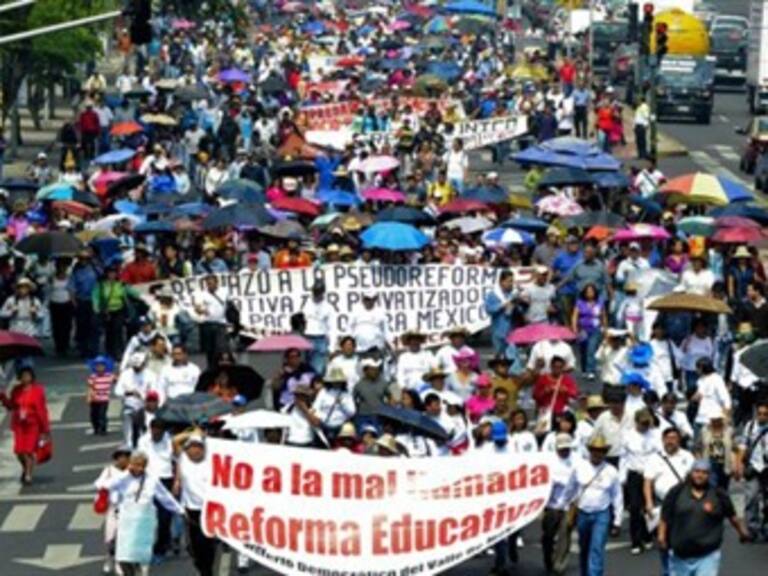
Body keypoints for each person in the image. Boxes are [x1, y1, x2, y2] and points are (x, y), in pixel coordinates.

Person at [658, 460, 751, 576]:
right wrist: (661, 536)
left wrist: (742, 533)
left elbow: (732, 516)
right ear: (691, 473)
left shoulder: (718, 494)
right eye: (697, 472)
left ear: (709, 475)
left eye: (704, 473)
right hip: (680, 556)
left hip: (708, 555)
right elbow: (664, 515)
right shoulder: (677, 492)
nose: (700, 475)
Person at [105, 451, 184, 576]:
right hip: (127, 520)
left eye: (141, 465)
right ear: (130, 464)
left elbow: (165, 497)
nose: (138, 468)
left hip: (144, 521)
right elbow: (108, 486)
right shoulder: (123, 478)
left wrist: (180, 510)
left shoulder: (151, 480)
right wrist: (126, 475)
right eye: (135, 465)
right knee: (123, 557)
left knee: (141, 557)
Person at [643, 427, 695, 576]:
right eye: (668, 438)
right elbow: (647, 482)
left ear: (679, 440)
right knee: (663, 540)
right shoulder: (654, 458)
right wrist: (648, 502)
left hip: (683, 503)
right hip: (663, 504)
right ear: (663, 440)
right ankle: (668, 571)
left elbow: (694, 479)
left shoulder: (687, 456)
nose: (671, 441)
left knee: (682, 539)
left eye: (674, 438)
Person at [572, 434, 623, 576]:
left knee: (597, 549)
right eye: (594, 450)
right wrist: (563, 507)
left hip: (602, 514)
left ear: (604, 453)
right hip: (583, 512)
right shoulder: (580, 467)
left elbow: (617, 496)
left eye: (600, 450)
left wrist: (617, 520)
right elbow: (570, 489)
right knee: (584, 548)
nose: (597, 453)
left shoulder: (611, 471)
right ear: (590, 451)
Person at [173, 432, 218, 576]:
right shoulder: (183, 459)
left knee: (207, 545)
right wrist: (193, 432)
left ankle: (207, 571)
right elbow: (175, 440)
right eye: (192, 447)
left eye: (199, 447)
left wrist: (204, 436)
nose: (195, 450)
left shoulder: (210, 460)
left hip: (209, 510)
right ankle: (203, 568)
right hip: (191, 511)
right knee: (194, 548)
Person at [620, 408, 661, 555]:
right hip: (634, 474)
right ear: (636, 422)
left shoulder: (654, 435)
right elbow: (623, 457)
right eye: (642, 423)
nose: (645, 426)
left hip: (650, 475)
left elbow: (659, 454)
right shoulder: (628, 436)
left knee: (649, 507)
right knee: (635, 507)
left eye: (647, 423)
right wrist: (622, 477)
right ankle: (635, 541)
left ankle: (647, 535)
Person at [0, 366, 50, 484]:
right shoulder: (16, 390)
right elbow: (11, 406)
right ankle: (25, 468)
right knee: (19, 451)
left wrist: (45, 429)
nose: (25, 378)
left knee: (28, 450)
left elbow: (42, 410)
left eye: (27, 375)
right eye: (23, 376)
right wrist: (2, 397)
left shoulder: (38, 390)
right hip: (19, 425)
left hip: (33, 425)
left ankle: (28, 474)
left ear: (32, 377)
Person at [136, 420, 175, 562]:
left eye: (159, 431)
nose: (156, 434)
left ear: (164, 431)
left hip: (166, 480)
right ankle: (150, 546)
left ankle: (161, 548)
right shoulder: (143, 441)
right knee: (148, 516)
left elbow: (177, 461)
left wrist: (177, 482)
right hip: (149, 481)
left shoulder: (170, 441)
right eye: (154, 430)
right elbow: (139, 461)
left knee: (165, 517)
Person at [542, 432, 578, 575]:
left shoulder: (577, 461)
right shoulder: (548, 461)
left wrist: (575, 504)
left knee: (565, 534)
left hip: (569, 505)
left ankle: (559, 564)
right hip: (551, 505)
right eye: (562, 448)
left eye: (567, 448)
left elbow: (579, 483)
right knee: (548, 536)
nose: (564, 451)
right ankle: (548, 558)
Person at [735, 400, 768, 541]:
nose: (761, 417)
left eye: (765, 414)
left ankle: (766, 528)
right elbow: (742, 446)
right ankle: (752, 529)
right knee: (751, 498)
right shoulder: (750, 427)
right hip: (754, 467)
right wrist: (738, 465)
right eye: (759, 414)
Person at [114, 352, 154, 448]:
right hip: (129, 405)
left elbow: (154, 391)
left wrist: (142, 395)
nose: (136, 368)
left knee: (146, 428)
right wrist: (128, 393)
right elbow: (117, 391)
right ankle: (130, 445)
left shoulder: (151, 375)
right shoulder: (126, 374)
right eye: (134, 366)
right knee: (129, 430)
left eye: (139, 366)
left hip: (145, 406)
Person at [193, 274, 230, 367]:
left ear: (217, 283)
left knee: (221, 348)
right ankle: (211, 367)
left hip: (220, 324)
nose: (210, 285)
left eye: (212, 283)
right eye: (208, 283)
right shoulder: (201, 294)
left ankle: (220, 366)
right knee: (209, 350)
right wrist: (200, 310)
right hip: (207, 325)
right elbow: (197, 308)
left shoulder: (224, 292)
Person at [301, 281, 334, 375]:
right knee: (306, 367)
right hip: (307, 337)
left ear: (323, 292)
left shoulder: (328, 307)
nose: (316, 294)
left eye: (318, 292)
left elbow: (332, 327)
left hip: (321, 338)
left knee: (317, 370)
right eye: (315, 292)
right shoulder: (306, 304)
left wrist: (331, 347)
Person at [484, 270, 519, 355]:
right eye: (509, 281)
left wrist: (518, 305)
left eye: (512, 281)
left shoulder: (514, 294)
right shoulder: (493, 294)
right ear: (501, 282)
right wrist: (501, 306)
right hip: (498, 331)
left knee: (513, 357)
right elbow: (489, 309)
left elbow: (519, 311)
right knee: (499, 358)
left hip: (511, 330)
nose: (511, 283)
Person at [87, 355, 116, 436]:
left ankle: (103, 429)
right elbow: (90, 387)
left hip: (104, 399)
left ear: (105, 366)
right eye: (97, 366)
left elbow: (117, 379)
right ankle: (96, 428)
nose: (99, 368)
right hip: (95, 399)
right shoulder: (93, 377)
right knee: (94, 415)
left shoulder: (109, 376)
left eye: (101, 366)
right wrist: (89, 396)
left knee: (102, 414)